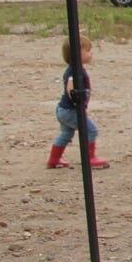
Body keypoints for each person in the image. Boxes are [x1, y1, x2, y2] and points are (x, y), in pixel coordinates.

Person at [48, 34, 109, 170]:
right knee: (91, 130)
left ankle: (54, 159)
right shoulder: (75, 71)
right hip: (70, 110)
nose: (91, 53)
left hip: (63, 110)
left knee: (66, 134)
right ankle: (89, 158)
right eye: (87, 51)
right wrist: (77, 102)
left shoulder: (76, 69)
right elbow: (71, 86)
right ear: (77, 54)